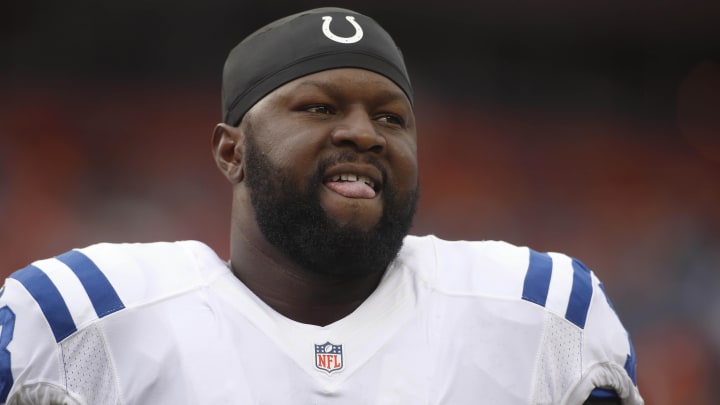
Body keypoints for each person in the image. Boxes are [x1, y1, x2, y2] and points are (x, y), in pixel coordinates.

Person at [0, 7, 643, 405]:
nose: (364, 133)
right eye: (318, 107)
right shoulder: (83, 322)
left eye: (391, 117)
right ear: (232, 153)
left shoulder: (542, 316)